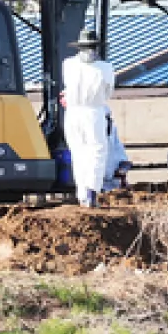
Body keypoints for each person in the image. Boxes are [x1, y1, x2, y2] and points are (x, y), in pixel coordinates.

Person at [61, 30, 115, 207]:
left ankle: (83, 194)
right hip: (93, 111)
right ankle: (91, 191)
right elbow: (108, 92)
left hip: (73, 113)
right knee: (97, 151)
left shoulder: (68, 64)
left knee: (79, 153)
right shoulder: (105, 68)